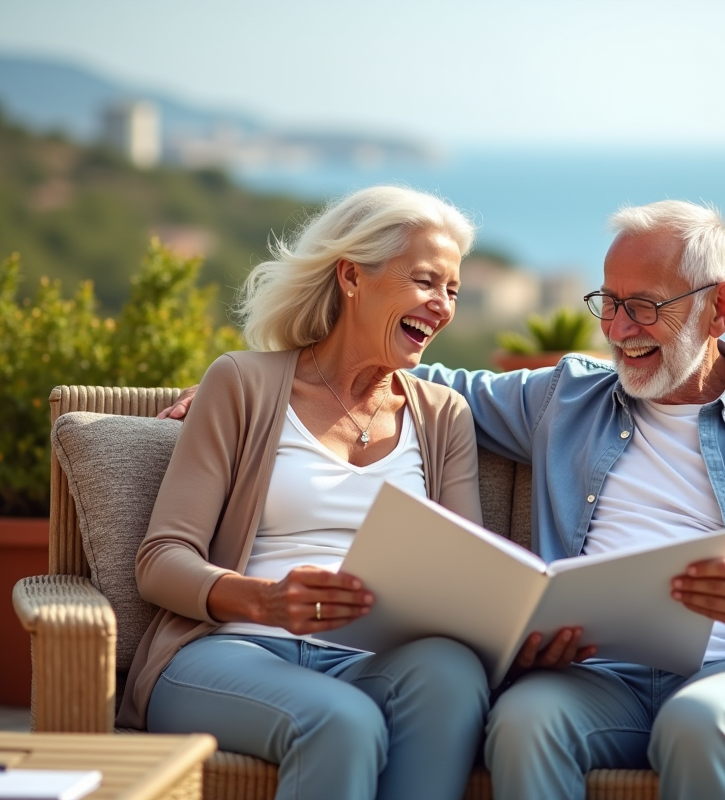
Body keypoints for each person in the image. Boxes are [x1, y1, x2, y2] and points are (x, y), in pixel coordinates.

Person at [163, 199, 725, 800]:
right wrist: (252, 384)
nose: (617, 330)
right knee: (521, 720)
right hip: (595, 674)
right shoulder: (567, 396)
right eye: (607, 304)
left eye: (642, 308)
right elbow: (410, 383)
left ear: (719, 310)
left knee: (698, 725)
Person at [123, 185, 489, 800]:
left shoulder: (444, 414)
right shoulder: (241, 383)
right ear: (352, 276)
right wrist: (264, 601)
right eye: (426, 282)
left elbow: (470, 572)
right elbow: (161, 560)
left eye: (451, 290)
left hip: (374, 658)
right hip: (232, 649)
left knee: (452, 676)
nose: (442, 306)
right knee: (342, 721)